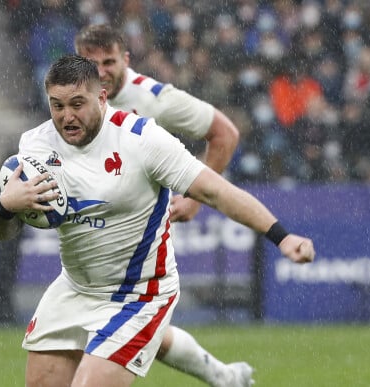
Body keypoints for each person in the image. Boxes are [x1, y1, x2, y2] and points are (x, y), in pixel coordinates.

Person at [0, 54, 315, 387]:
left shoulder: (143, 141)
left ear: (101, 97)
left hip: (139, 293)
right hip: (76, 287)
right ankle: (225, 378)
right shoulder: (35, 147)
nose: (66, 117)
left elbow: (217, 192)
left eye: (77, 104)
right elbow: (1, 232)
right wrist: (3, 206)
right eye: (57, 106)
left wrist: (281, 236)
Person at [74, 24, 247, 386]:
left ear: (126, 59)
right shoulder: (70, 97)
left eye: (109, 62)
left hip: (138, 235)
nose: (101, 72)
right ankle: (225, 377)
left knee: (114, 323)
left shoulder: (152, 97)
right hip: (91, 232)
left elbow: (225, 134)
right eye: (92, 63)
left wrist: (194, 199)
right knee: (131, 325)